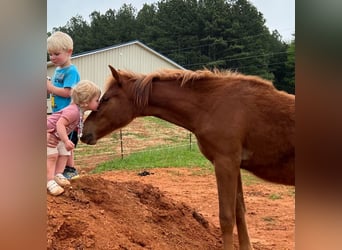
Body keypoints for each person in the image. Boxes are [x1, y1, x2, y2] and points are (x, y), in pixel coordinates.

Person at [47, 80, 101, 196]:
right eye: (97, 100)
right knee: (52, 156)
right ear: (86, 101)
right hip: (50, 133)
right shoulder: (73, 111)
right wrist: (66, 140)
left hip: (58, 135)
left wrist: (65, 141)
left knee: (65, 152)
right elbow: (59, 124)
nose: (99, 103)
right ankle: (49, 180)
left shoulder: (79, 112)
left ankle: (58, 174)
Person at [47, 31, 80, 179]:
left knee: (67, 142)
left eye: (56, 54)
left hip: (68, 115)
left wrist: (50, 87)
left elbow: (68, 93)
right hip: (57, 113)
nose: (52, 57)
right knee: (57, 141)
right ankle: (60, 169)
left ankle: (70, 168)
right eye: (50, 54)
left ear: (69, 52)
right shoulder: (58, 69)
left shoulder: (71, 71)